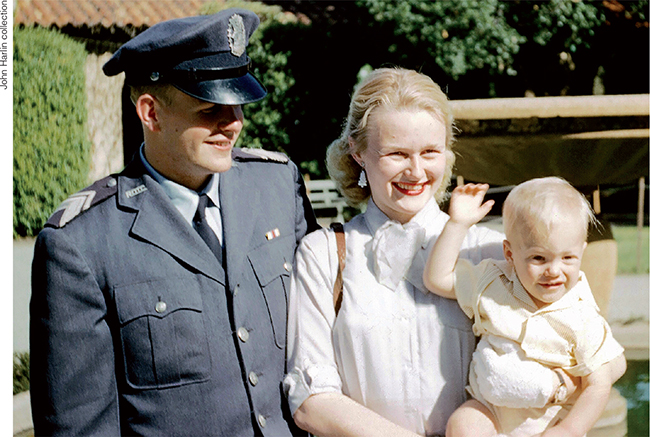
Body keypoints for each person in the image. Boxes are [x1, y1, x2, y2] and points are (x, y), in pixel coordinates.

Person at [30, 9, 318, 436]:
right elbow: (79, 426)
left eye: (238, 101)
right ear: (151, 112)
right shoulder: (80, 243)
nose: (234, 122)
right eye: (210, 108)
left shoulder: (277, 186)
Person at [282, 67, 571, 437]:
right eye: (397, 153)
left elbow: (559, 356)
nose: (416, 171)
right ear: (357, 152)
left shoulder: (486, 250)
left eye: (430, 152)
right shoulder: (322, 254)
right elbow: (311, 400)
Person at [422, 178, 627, 437]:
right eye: (539, 258)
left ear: (581, 252)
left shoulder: (581, 315)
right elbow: (437, 279)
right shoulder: (493, 282)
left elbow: (598, 384)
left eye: (568, 258)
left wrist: (570, 429)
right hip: (492, 413)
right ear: (509, 254)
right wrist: (457, 224)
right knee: (464, 423)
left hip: (550, 423)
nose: (554, 270)